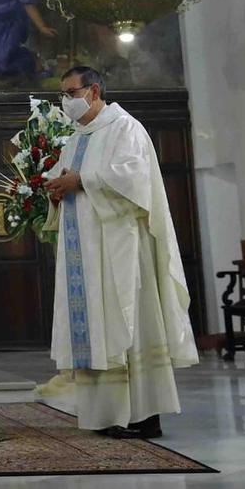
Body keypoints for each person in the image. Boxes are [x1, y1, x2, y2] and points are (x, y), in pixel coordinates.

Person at [39, 67, 197, 436]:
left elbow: (136, 181)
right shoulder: (76, 139)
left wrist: (82, 180)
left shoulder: (125, 128)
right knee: (95, 328)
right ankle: (106, 414)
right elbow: (67, 180)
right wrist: (57, 190)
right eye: (62, 95)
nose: (66, 101)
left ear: (93, 91)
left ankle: (143, 415)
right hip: (86, 252)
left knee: (128, 325)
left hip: (121, 250)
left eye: (70, 92)